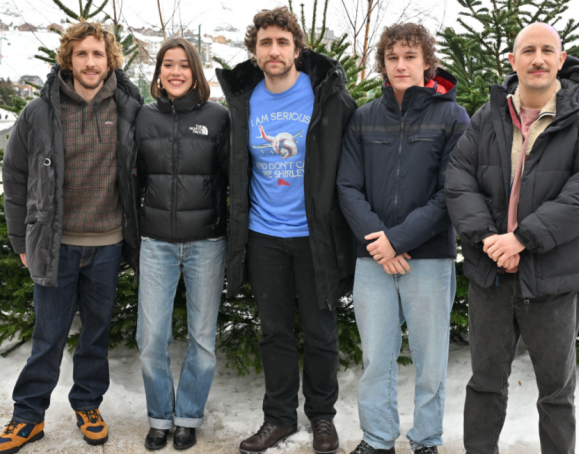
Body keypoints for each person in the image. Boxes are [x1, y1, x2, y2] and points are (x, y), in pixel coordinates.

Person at [445, 22, 579, 454]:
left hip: (554, 277)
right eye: (528, 50)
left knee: (557, 392)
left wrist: (521, 239)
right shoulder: (488, 117)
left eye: (547, 51)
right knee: (485, 384)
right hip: (492, 275)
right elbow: (458, 178)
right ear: (513, 61)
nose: (537, 59)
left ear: (561, 60)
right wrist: (490, 239)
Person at [0, 20, 142, 454]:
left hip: (108, 246)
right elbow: (15, 174)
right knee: (49, 336)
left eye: (98, 54)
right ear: (68, 59)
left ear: (109, 59)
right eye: (82, 54)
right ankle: (27, 417)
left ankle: (88, 405)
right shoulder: (39, 112)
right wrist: (21, 241)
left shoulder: (130, 107)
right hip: (55, 245)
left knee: (95, 335)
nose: (90, 62)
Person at [215, 7, 357, 454]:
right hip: (264, 236)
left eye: (282, 42)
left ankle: (322, 419)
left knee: (320, 331)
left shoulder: (328, 96)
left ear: (297, 48)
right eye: (265, 43)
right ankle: (277, 418)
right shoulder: (243, 102)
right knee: (273, 331)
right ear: (255, 51)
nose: (273, 51)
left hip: (315, 236)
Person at [336, 22, 469, 454]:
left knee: (431, 360)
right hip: (372, 257)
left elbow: (452, 192)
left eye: (410, 56)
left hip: (428, 258)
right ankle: (377, 439)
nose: (400, 64)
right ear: (383, 63)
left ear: (427, 63)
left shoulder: (452, 116)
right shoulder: (363, 117)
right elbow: (347, 187)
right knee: (376, 358)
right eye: (392, 57)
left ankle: (427, 439)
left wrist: (398, 240)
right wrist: (379, 242)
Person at [135, 37, 230, 452]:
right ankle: (159, 417)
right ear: (159, 72)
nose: (175, 72)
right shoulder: (144, 117)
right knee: (151, 337)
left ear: (196, 71)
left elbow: (231, 181)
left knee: (202, 340)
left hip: (206, 243)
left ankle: (188, 416)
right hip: (156, 242)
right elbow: (132, 177)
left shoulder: (218, 117)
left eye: (183, 65)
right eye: (167, 65)